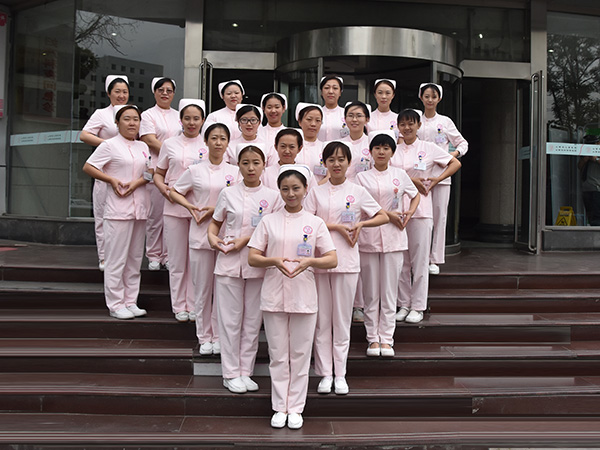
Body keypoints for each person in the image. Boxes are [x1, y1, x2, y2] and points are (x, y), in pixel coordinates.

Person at [248, 164, 337, 430]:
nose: (291, 194)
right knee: (277, 355)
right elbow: (253, 257)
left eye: (296, 188)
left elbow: (332, 259)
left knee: (300, 354)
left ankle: (296, 408)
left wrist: (311, 261)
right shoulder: (269, 221)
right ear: (279, 190)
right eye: (285, 189)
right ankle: (279, 407)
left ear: (306, 189)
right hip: (274, 294)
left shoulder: (315, 222)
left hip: (304, 295)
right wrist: (273, 260)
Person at [304, 141, 388, 395]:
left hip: (347, 261)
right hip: (319, 262)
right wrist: (336, 227)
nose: (336, 164)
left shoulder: (357, 191)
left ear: (349, 162)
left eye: (341, 159)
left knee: (341, 321)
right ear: (325, 163)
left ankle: (340, 373)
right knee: (322, 321)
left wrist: (361, 225)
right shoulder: (315, 192)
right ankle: (324, 373)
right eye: (331, 160)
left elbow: (382, 216)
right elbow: (306, 221)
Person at [208, 144, 283, 394]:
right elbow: (214, 224)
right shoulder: (227, 193)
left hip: (257, 266)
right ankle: (230, 373)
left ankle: (245, 371)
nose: (251, 168)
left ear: (264, 166)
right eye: (245, 163)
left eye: (256, 163)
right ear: (238, 166)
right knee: (230, 321)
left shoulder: (273, 196)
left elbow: (274, 231)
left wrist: (246, 240)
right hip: (228, 263)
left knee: (252, 322)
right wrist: (212, 239)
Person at [170, 123, 240, 355]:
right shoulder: (195, 171)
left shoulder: (235, 172)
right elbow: (174, 191)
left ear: (228, 143)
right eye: (214, 138)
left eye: (223, 138)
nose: (218, 142)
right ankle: (204, 337)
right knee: (201, 289)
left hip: (226, 238)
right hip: (200, 235)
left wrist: (215, 209)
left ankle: (219, 336)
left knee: (222, 290)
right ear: (206, 141)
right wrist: (191, 207)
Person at [392, 109, 461, 324]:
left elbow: (455, 163)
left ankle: (418, 306)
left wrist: (437, 179)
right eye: (403, 124)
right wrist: (413, 180)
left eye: (411, 123)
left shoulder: (428, 148)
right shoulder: (393, 150)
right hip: (397, 211)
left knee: (420, 261)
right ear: (398, 127)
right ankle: (404, 304)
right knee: (401, 261)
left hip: (421, 211)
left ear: (418, 126)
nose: (407, 127)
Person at [82, 105, 151, 320]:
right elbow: (89, 167)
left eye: (136, 119)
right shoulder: (109, 145)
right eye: (127, 119)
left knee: (134, 259)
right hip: (118, 209)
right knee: (116, 259)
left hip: (139, 208)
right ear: (117, 123)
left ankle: (130, 301)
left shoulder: (143, 146)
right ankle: (115, 303)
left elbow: (149, 172)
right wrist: (110, 179)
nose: (132, 123)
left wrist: (137, 183)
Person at [356, 131, 420, 357]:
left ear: (392, 152)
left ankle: (387, 339)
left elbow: (415, 195)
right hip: (369, 238)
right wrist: (389, 215)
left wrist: (409, 213)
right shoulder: (361, 177)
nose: (381, 152)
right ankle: (372, 339)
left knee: (389, 292)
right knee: (371, 292)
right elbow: (360, 205)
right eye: (377, 148)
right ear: (370, 152)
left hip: (394, 238)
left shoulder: (400, 175)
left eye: (386, 148)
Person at [154, 99, 207, 322]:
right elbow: (158, 173)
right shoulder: (169, 144)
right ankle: (179, 305)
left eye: (196, 118)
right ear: (181, 120)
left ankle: (195, 304)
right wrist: (163, 188)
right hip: (174, 206)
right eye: (187, 118)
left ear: (203, 120)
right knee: (177, 260)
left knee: (196, 261)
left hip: (199, 208)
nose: (191, 123)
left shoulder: (208, 143)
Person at [417, 82, 468, 275]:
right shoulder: (416, 119)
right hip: (419, 177)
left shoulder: (445, 122)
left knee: (439, 217)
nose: (430, 100)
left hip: (441, 176)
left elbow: (462, 143)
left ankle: (434, 259)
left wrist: (452, 156)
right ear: (421, 97)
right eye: (426, 96)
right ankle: (419, 256)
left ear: (439, 99)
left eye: (434, 96)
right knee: (420, 218)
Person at [80, 74, 130, 271]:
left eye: (125, 92)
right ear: (109, 93)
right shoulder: (101, 114)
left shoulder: (132, 112)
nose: (121, 95)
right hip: (106, 171)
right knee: (102, 215)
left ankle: (123, 257)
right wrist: (109, 145)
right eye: (117, 91)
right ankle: (103, 256)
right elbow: (84, 135)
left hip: (128, 174)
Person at [140, 77, 181, 271]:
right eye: (161, 90)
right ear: (154, 92)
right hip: (157, 169)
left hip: (177, 171)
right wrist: (172, 153)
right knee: (155, 216)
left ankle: (169, 255)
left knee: (172, 217)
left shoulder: (179, 115)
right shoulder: (148, 115)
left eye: (169, 90)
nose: (165, 93)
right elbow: (149, 139)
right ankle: (154, 254)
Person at [342, 101, 372, 182]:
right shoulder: (339, 144)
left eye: (359, 116)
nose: (354, 119)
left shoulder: (371, 144)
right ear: (345, 119)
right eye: (350, 116)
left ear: (367, 119)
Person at [295, 103, 327, 181]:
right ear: (299, 121)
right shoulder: (292, 147)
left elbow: (330, 175)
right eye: (309, 119)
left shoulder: (325, 148)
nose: (313, 124)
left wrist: (317, 187)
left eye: (318, 120)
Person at [318, 75, 346, 141]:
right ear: (321, 92)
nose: (330, 91)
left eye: (335, 88)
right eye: (327, 88)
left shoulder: (346, 113)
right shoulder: (316, 113)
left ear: (340, 92)